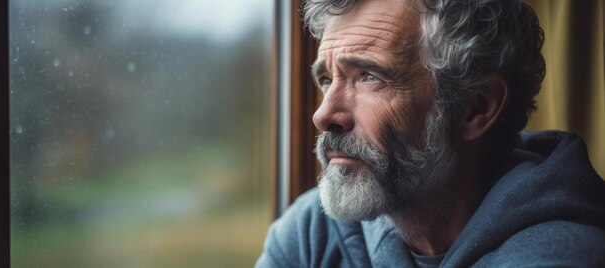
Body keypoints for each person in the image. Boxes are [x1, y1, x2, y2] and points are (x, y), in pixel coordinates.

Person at [256, 0, 605, 267]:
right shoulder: (311, 232)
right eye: (327, 80)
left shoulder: (562, 255)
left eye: (369, 77)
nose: (323, 114)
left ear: (476, 108)